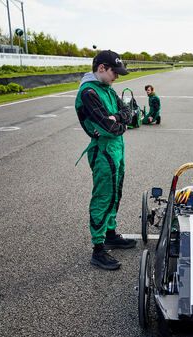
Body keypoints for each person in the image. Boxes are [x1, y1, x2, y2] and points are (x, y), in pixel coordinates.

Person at [74, 50, 136, 270]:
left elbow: (128, 113)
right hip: (103, 151)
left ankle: (110, 234)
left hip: (116, 148)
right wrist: (119, 124)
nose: (117, 77)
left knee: (116, 193)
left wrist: (118, 120)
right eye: (114, 72)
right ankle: (98, 249)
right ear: (101, 68)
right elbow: (106, 127)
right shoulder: (88, 92)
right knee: (103, 197)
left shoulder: (107, 88)